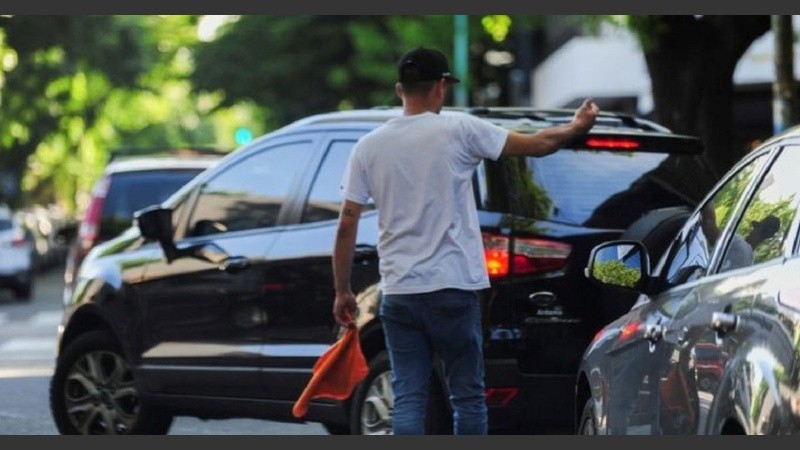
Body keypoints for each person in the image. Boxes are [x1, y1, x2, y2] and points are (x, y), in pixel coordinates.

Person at [332, 46, 599, 435]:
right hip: (452, 288)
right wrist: (577, 127)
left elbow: (346, 224)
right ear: (440, 88)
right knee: (467, 396)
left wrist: (343, 291)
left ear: (399, 89)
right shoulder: (460, 129)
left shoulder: (368, 147)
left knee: (408, 395)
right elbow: (538, 144)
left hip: (400, 291)